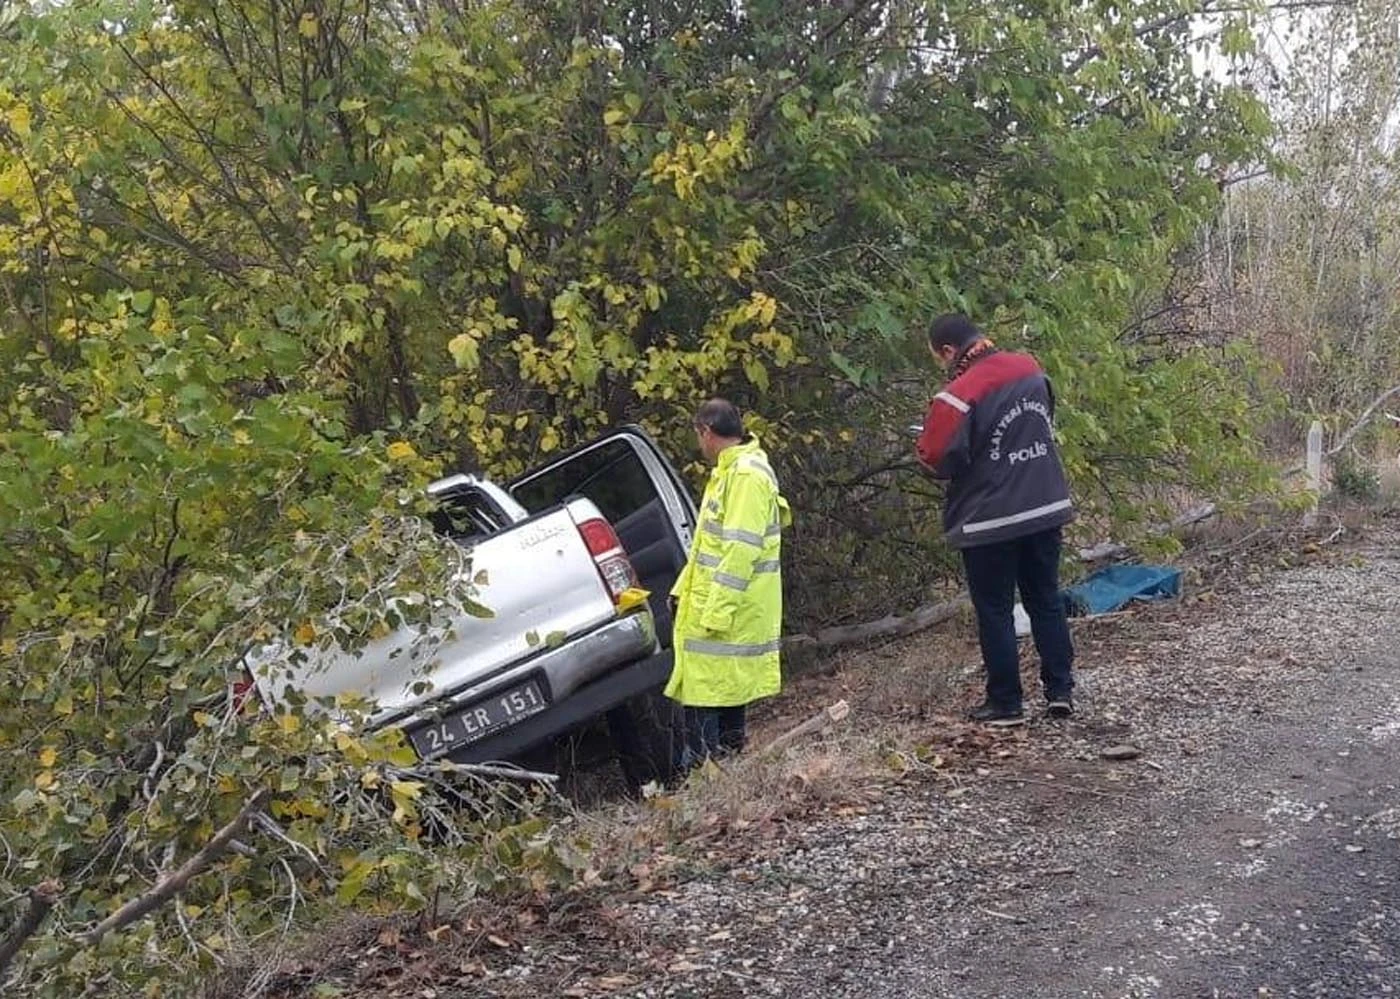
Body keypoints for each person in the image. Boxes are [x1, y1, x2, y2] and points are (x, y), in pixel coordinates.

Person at [915, 314, 1076, 726]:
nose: (942, 364)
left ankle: (1006, 702)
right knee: (1046, 600)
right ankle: (1060, 690)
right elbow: (1042, 427)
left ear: (949, 350)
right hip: (1044, 506)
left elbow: (935, 459)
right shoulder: (1031, 368)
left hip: (989, 520)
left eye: (939, 357)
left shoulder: (957, 395)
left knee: (995, 610)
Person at [667, 398, 791, 767]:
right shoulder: (729, 472)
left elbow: (740, 550)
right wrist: (680, 591)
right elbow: (707, 548)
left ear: (706, 431)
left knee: (710, 705)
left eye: (698, 437)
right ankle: (727, 778)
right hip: (717, 607)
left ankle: (714, 785)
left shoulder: (746, 476)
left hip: (727, 610)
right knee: (723, 695)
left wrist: (716, 612)